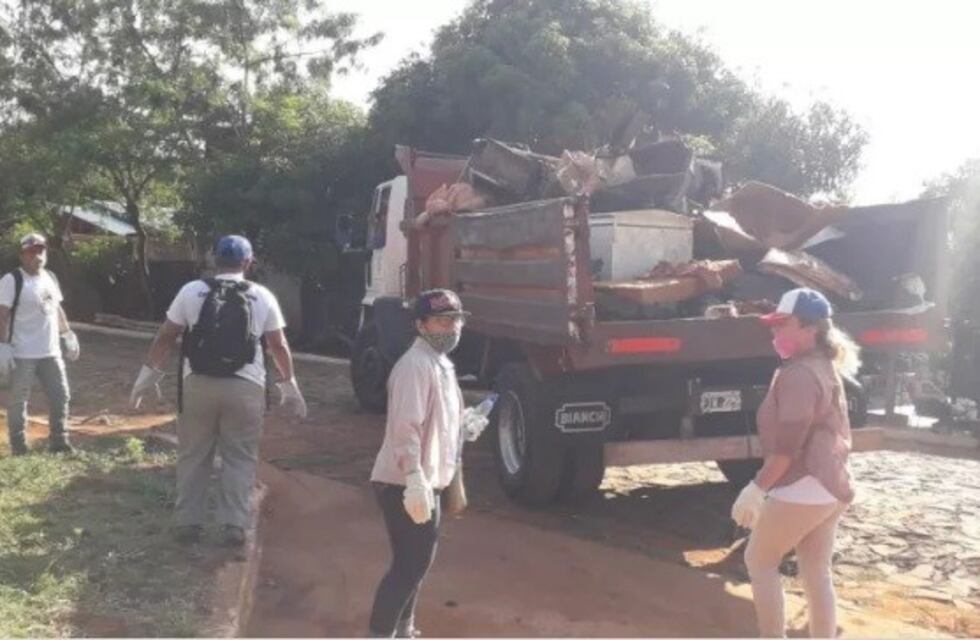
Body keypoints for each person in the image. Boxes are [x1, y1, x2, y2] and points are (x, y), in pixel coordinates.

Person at [128, 235, 308, 546]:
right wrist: (288, 382)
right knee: (239, 457)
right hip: (246, 387)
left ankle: (188, 523)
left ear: (214, 260)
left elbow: (166, 335)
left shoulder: (191, 291)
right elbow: (278, 344)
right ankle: (233, 525)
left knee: (193, 454)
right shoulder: (262, 295)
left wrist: (149, 373)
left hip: (197, 384)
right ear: (248, 263)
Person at [731, 288, 861, 638]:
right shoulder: (823, 366)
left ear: (809, 329)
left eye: (782, 324)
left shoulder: (800, 375)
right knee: (816, 571)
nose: (775, 332)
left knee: (759, 560)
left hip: (804, 487)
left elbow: (788, 448)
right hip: (831, 485)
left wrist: (756, 488)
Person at [367, 289, 489, 638]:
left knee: (415, 564)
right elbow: (406, 428)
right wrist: (414, 477)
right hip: (404, 482)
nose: (451, 328)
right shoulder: (414, 366)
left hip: (423, 480)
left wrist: (463, 424)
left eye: (456, 320)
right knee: (410, 566)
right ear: (421, 325)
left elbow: (436, 418)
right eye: (441, 321)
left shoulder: (441, 364)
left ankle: (404, 629)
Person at [0, 233, 80, 456]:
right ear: (22, 255)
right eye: (32, 251)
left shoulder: (50, 277)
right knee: (18, 401)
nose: (37, 255)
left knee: (60, 395)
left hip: (50, 352)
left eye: (41, 251)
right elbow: (2, 315)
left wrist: (67, 334)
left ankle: (59, 442)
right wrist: (2, 345)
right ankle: (19, 447)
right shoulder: (12, 280)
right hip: (22, 353)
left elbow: (57, 309)